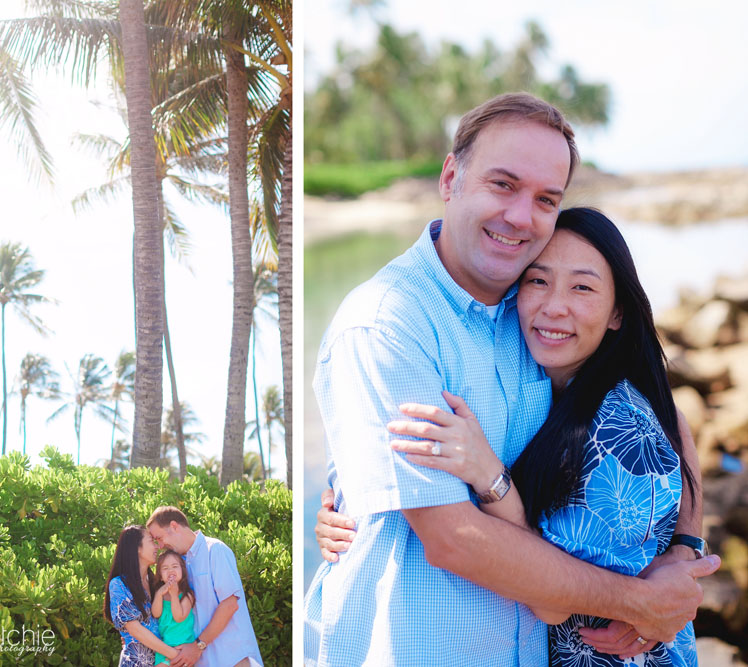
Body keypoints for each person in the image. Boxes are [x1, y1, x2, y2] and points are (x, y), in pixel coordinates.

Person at [305, 93, 719, 666]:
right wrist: (640, 601)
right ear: (451, 177)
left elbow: (655, 404)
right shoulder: (388, 322)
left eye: (545, 199)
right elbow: (452, 538)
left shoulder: (525, 314)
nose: (522, 217)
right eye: (503, 184)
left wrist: (684, 545)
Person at [381, 207, 699, 664]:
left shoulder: (615, 436)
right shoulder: (552, 381)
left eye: (583, 287)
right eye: (537, 280)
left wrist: (490, 477)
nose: (554, 306)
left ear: (617, 313)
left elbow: (553, 600)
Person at [147, 506, 263, 667]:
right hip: (202, 661)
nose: (160, 546)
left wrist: (199, 645)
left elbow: (230, 604)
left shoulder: (215, 550)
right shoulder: (175, 564)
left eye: (159, 538)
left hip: (232, 658)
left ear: (174, 526)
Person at [104, 525, 181, 667]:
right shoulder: (119, 585)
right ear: (137, 548)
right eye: (151, 541)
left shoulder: (157, 583)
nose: (157, 546)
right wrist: (175, 655)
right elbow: (135, 629)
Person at [152, 550, 198, 665]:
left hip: (183, 648)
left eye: (175, 566)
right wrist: (159, 594)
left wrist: (174, 595)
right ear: (161, 576)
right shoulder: (160, 594)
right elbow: (156, 613)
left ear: (182, 570)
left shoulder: (187, 594)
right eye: (165, 568)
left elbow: (179, 617)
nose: (170, 570)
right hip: (165, 649)